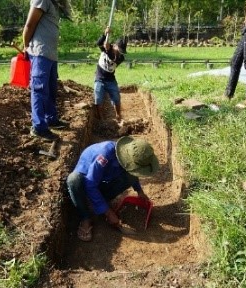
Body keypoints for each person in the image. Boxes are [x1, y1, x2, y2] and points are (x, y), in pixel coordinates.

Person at [66, 136, 159, 242]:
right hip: (86, 182)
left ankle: (101, 203)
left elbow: (133, 173)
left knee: (130, 176)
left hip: (102, 181)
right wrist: (109, 213)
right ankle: (85, 218)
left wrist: (139, 191)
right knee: (73, 180)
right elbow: (90, 184)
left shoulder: (128, 157)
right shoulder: (103, 156)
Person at [22, 0, 69, 142]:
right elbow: (29, 25)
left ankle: (51, 119)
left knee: (51, 88)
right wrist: (25, 46)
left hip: (50, 54)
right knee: (39, 89)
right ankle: (39, 127)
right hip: (40, 52)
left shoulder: (53, 3)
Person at [94, 27, 128, 122]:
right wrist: (105, 35)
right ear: (115, 45)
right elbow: (98, 43)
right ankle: (101, 118)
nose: (120, 52)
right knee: (98, 99)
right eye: (119, 49)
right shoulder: (106, 47)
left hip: (111, 80)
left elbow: (113, 59)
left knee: (116, 97)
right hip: (99, 78)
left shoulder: (120, 57)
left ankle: (118, 115)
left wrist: (108, 50)